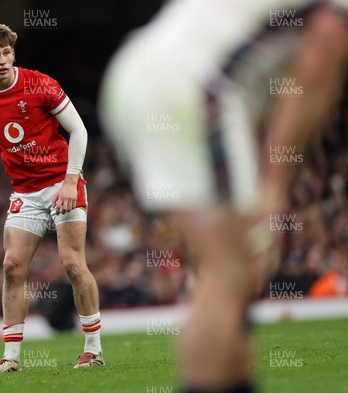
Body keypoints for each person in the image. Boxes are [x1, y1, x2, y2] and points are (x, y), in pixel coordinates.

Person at [99, 1, 348, 392]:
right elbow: (319, 63)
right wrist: (274, 186)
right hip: (190, 86)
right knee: (230, 274)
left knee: (235, 272)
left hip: (142, 75)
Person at [0, 23, 104, 374]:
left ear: (14, 53)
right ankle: (11, 357)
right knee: (12, 266)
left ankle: (93, 349)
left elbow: (79, 129)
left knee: (73, 265)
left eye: (7, 52)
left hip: (62, 181)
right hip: (25, 191)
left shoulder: (40, 83)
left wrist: (71, 180)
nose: (2, 60)